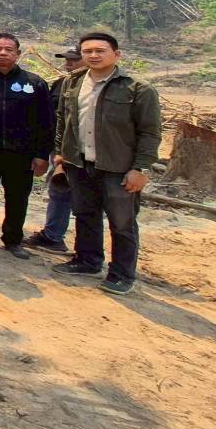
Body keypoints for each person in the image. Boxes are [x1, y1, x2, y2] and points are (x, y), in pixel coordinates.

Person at [51, 32, 161, 295]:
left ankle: (122, 274)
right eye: (88, 51)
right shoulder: (73, 82)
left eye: (100, 51)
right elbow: (63, 119)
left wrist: (141, 168)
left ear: (116, 54)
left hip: (118, 167)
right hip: (79, 163)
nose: (93, 55)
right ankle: (88, 261)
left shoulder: (138, 89)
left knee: (122, 223)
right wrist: (60, 153)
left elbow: (150, 132)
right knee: (85, 214)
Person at [0, 33, 54, 259]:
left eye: (8, 49)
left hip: (21, 153)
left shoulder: (34, 83)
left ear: (18, 54)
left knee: (17, 198)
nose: (2, 53)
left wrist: (42, 155)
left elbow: (46, 122)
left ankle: (13, 239)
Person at [24, 47, 86, 253]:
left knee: (87, 200)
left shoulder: (99, 87)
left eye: (74, 59)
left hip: (90, 152)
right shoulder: (63, 83)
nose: (69, 63)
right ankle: (53, 236)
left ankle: (88, 251)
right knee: (59, 190)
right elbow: (51, 117)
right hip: (61, 148)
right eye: (67, 59)